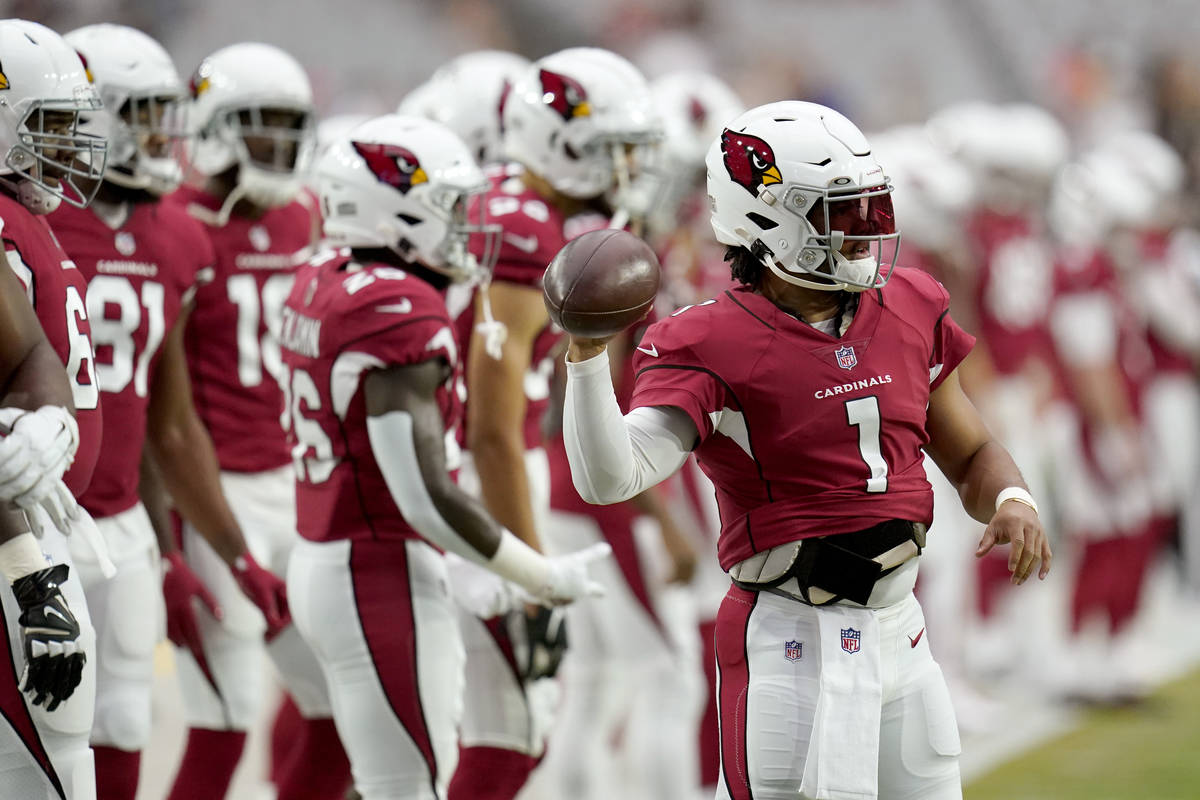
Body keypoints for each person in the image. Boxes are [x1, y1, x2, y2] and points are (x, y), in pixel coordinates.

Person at [560, 101, 1052, 800]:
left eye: (868, 209)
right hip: (789, 645)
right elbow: (614, 476)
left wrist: (1012, 498)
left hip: (900, 637)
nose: (865, 232)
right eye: (838, 213)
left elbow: (970, 454)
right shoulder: (708, 340)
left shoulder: (909, 304)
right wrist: (584, 360)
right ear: (764, 220)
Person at [281, 113, 609, 800]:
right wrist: (539, 576)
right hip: (378, 568)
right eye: (450, 208)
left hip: (323, 554)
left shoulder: (320, 275)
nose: (466, 226)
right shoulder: (400, 306)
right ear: (393, 210)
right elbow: (423, 496)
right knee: (407, 786)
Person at [50, 24, 297, 799]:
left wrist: (190, 552)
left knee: (124, 723)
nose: (163, 134)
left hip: (123, 513)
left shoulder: (180, 236)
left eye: (167, 113)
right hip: (28, 510)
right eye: (145, 114)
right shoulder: (34, 219)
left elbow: (169, 421)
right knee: (39, 736)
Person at [446, 47, 661, 800]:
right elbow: (492, 426)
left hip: (478, 475)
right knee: (513, 727)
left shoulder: (522, 210)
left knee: (509, 724)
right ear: (557, 142)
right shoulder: (525, 230)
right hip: (476, 480)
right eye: (612, 150)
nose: (627, 169)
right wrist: (533, 576)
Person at [163, 41, 346, 800]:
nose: (277, 143)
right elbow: (162, 412)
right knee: (225, 722)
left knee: (339, 711)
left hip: (294, 485)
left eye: (287, 125)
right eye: (259, 124)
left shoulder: (307, 214)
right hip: (214, 494)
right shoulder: (177, 223)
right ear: (213, 126)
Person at [0, 18, 107, 799]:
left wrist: (55, 418)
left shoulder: (22, 216)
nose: (68, 148)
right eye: (50, 126)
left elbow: (34, 355)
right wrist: (28, 574)